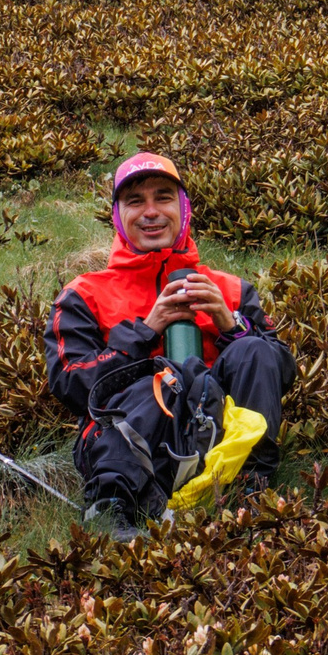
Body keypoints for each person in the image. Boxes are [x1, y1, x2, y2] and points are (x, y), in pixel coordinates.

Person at [47, 152, 295, 540]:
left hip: (217, 433)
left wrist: (231, 325)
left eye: (163, 198)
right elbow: (69, 384)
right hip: (132, 444)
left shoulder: (229, 288)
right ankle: (113, 510)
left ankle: (252, 495)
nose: (151, 212)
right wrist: (147, 331)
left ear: (183, 209)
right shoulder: (84, 293)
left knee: (255, 350)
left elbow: (280, 368)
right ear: (117, 216)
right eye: (135, 201)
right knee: (157, 376)